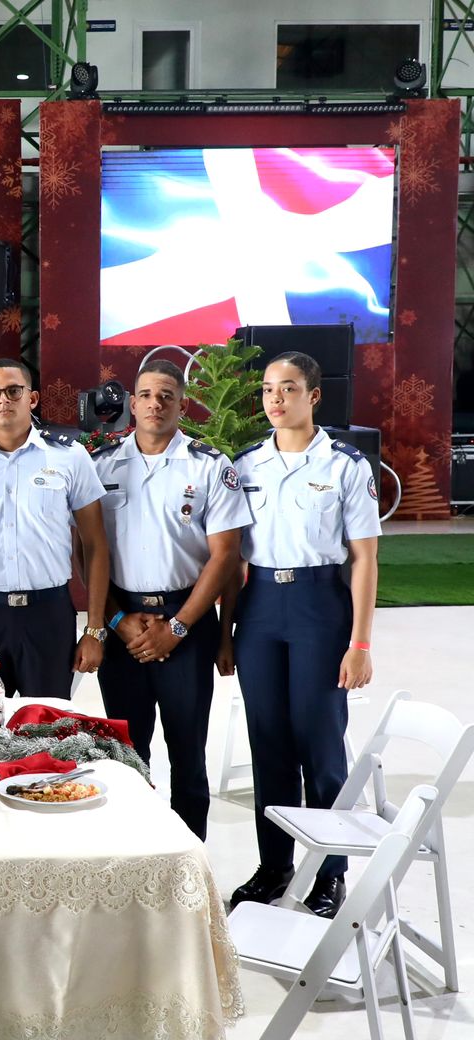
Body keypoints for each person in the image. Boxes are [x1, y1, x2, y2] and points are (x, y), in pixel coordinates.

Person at [224, 351, 380, 918]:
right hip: (261, 607)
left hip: (319, 606)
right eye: (268, 389)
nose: (275, 399)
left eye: (288, 388)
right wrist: (227, 631)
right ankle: (274, 866)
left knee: (320, 743)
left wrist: (359, 643)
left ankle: (330, 873)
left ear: (314, 396)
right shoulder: (245, 468)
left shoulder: (344, 465)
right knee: (268, 745)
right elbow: (230, 560)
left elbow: (364, 559)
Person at [91, 360, 251, 841]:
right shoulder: (101, 465)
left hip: (188, 620)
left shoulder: (209, 466)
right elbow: (88, 553)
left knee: (186, 752)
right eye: (145, 394)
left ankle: (189, 867)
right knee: (125, 752)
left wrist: (177, 627)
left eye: (166, 395)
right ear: (131, 404)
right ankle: (132, 858)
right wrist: (116, 620)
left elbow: (225, 557)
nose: (155, 403)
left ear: (182, 404)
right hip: (122, 623)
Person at [0, 358, 110, 696]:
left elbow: (96, 545)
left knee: (44, 728)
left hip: (48, 614)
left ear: (33, 398)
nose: (4, 400)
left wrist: (95, 629)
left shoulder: (70, 458)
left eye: (14, 391)